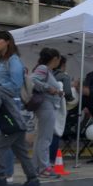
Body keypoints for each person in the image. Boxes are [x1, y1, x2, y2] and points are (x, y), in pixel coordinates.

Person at [0, 31, 25, 182]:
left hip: (8, 104)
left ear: (8, 41)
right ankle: (1, 172)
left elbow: (16, 84)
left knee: (5, 139)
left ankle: (6, 174)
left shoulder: (13, 60)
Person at [31, 47, 63, 178]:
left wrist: (55, 91)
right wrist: (50, 88)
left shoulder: (45, 70)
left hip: (45, 106)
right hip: (46, 106)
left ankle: (36, 167)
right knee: (45, 138)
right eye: (59, 59)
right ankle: (44, 168)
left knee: (41, 138)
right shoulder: (43, 69)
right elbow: (33, 80)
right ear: (55, 59)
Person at [48, 56, 77, 164]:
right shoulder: (64, 76)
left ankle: (43, 160)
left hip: (44, 107)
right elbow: (68, 93)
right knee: (55, 132)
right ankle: (51, 160)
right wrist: (72, 99)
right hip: (57, 108)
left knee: (45, 135)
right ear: (63, 65)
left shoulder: (47, 74)